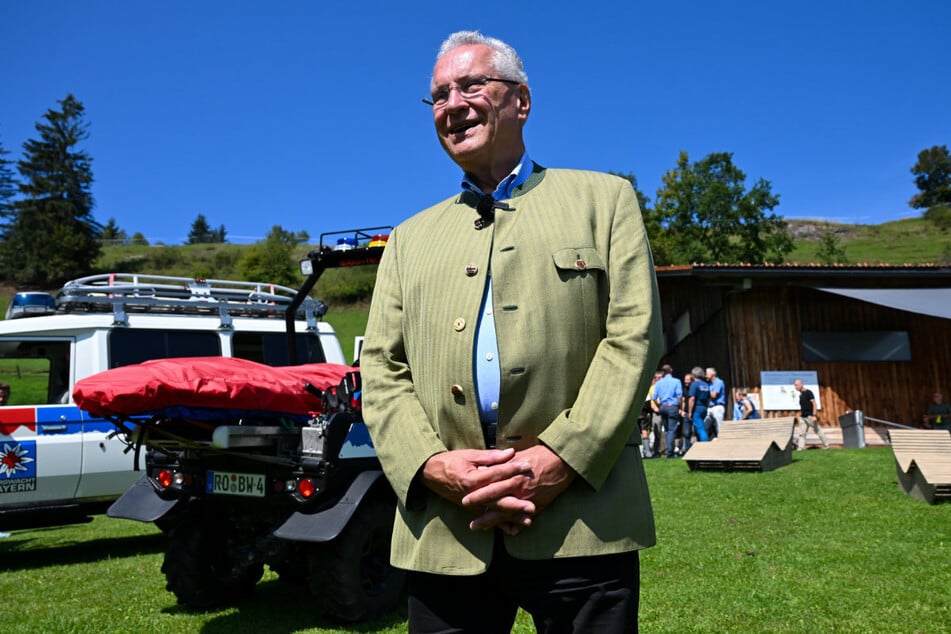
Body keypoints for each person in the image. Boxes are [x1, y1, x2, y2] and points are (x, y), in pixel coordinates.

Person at [360, 30, 663, 633]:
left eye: (471, 85)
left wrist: (561, 459)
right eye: (439, 95)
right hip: (447, 531)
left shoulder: (606, 201)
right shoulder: (408, 239)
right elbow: (380, 368)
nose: (452, 103)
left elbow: (635, 337)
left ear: (520, 101)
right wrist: (429, 466)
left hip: (582, 519)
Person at [654, 365, 683, 459]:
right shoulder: (676, 381)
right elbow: (679, 396)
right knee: (671, 430)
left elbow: (654, 397)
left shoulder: (658, 383)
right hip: (672, 406)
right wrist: (680, 406)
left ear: (662, 372)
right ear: (671, 370)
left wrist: (659, 406)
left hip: (663, 407)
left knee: (666, 430)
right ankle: (669, 452)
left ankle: (668, 449)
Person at [793, 379, 830, 450]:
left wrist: (814, 415)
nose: (796, 387)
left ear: (801, 384)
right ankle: (800, 448)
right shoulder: (801, 395)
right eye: (795, 385)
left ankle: (826, 445)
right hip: (803, 417)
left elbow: (814, 404)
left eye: (797, 385)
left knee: (818, 431)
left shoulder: (808, 392)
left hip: (810, 416)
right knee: (802, 433)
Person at [684, 366, 710, 452]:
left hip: (697, 408)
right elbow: (708, 398)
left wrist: (690, 412)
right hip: (704, 407)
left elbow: (692, 399)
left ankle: (705, 447)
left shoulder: (694, 384)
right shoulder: (706, 385)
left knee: (700, 428)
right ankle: (700, 447)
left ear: (693, 375)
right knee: (701, 426)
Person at [704, 367, 726, 438]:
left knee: (719, 428)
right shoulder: (709, 384)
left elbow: (714, 395)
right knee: (704, 426)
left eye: (707, 374)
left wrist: (704, 393)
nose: (705, 376)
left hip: (717, 407)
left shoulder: (719, 382)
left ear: (712, 374)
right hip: (710, 407)